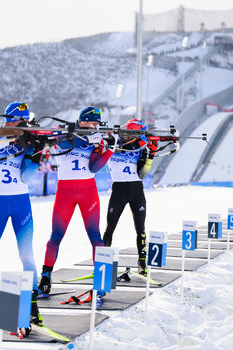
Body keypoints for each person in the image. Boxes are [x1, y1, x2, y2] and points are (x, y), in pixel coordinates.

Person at [0, 102, 45, 335]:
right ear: (10, 120)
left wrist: (35, 152)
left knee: (27, 255)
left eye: (25, 122)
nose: (23, 125)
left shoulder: (25, 139)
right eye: (20, 121)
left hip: (21, 204)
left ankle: (32, 307)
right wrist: (14, 139)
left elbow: (25, 178)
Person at [38, 107, 115, 302]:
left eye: (97, 124)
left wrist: (108, 148)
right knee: (56, 236)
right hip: (66, 191)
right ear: (82, 121)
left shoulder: (95, 139)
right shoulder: (66, 133)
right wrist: (91, 140)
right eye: (92, 123)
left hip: (88, 190)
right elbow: (59, 141)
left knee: (95, 236)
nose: (95, 127)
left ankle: (101, 282)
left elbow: (94, 167)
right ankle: (45, 277)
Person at [102, 119, 158, 276]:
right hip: (119, 189)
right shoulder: (113, 143)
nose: (129, 136)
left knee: (140, 228)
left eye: (133, 134)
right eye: (128, 133)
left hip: (136, 190)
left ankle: (142, 263)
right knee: (110, 228)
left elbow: (142, 174)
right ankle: (102, 264)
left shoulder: (140, 148)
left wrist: (151, 154)